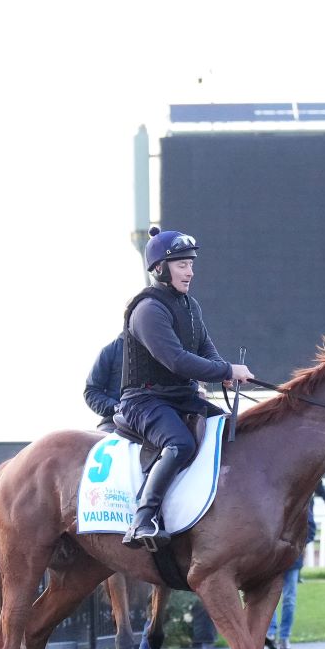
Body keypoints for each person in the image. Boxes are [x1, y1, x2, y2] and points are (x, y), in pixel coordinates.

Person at [115, 227, 252, 549]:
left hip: (181, 398)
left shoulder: (191, 306)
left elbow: (205, 348)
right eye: (181, 265)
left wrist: (223, 373)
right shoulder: (148, 310)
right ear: (159, 269)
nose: (190, 271)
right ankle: (143, 519)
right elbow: (176, 361)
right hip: (144, 401)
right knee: (180, 444)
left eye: (191, 264)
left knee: (229, 429)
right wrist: (227, 369)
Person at [266, 483, 325, 649]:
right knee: (270, 596)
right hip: (275, 559)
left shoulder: (302, 504)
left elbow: (310, 529)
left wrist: (294, 546)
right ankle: (271, 633)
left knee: (288, 598)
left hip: (291, 558)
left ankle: (284, 636)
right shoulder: (274, 503)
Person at [84, 333, 126, 430]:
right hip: (115, 421)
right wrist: (115, 407)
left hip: (155, 418)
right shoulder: (110, 351)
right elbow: (91, 391)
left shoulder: (161, 349)